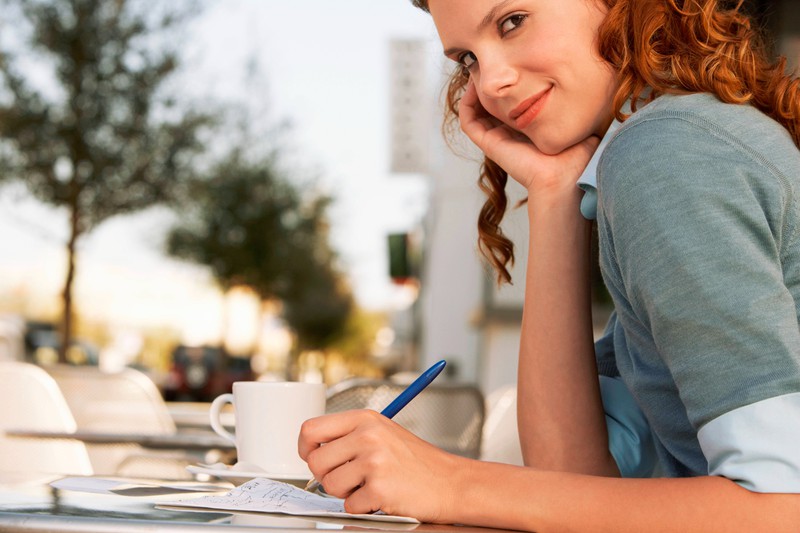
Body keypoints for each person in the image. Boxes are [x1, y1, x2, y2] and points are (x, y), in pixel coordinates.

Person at [298, 0, 800, 530]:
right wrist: (555, 193)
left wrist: (449, 482)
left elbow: (783, 509)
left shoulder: (666, 151)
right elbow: (574, 476)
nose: (491, 82)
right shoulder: (670, 142)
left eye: (512, 22)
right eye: (467, 58)